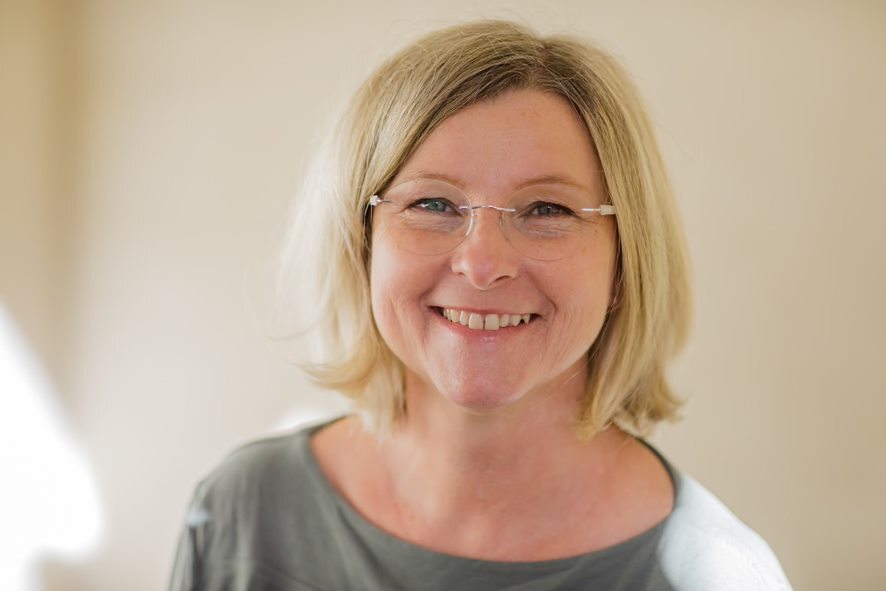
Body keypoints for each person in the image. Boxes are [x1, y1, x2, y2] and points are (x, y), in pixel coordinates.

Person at [170, 20, 792, 590]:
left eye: (546, 209)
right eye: (433, 204)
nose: (483, 263)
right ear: (360, 244)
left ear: (624, 263)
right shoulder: (243, 515)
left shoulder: (717, 575)